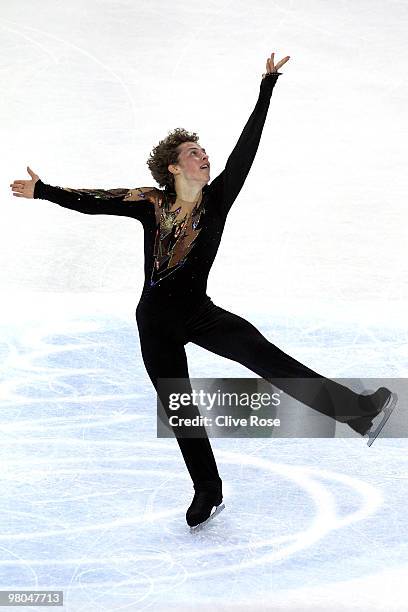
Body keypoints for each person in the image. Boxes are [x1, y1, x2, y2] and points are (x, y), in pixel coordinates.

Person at [10, 51, 397, 530]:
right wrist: (44, 190)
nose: (204, 156)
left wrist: (266, 88)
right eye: (193, 152)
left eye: (203, 150)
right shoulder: (151, 203)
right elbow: (95, 201)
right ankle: (207, 489)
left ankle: (358, 413)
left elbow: (245, 150)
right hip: (155, 322)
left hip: (201, 313)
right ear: (172, 168)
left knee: (271, 361)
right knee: (181, 408)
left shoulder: (218, 199)